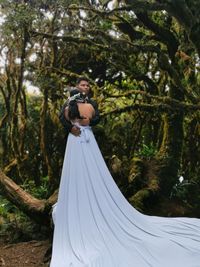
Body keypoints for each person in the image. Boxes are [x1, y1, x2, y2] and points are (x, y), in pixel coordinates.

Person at [50, 79, 200, 266]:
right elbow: (63, 118)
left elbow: (96, 119)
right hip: (78, 137)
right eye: (82, 85)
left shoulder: (89, 104)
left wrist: (86, 122)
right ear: (77, 88)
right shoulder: (71, 103)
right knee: (77, 172)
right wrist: (72, 127)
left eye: (87, 85)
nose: (85, 87)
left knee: (92, 172)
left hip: (84, 138)